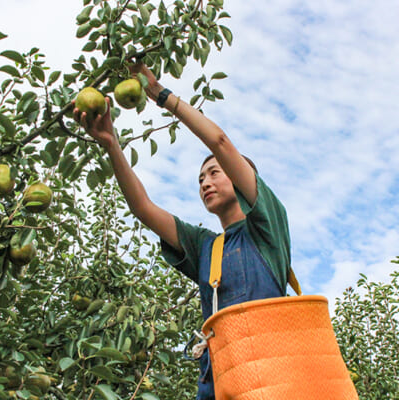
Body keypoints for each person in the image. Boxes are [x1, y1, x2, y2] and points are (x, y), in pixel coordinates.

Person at [73, 63, 291, 400]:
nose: (205, 182)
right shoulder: (207, 247)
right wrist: (111, 144)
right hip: (221, 386)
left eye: (215, 172)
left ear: (244, 175)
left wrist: (161, 95)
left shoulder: (267, 228)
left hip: (271, 382)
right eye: (200, 179)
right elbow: (143, 208)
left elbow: (219, 141)